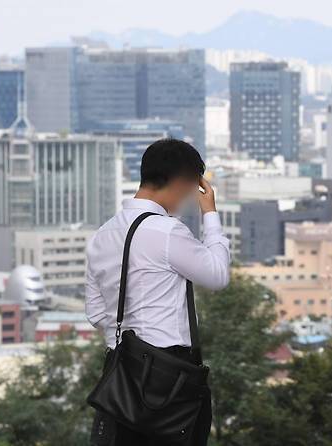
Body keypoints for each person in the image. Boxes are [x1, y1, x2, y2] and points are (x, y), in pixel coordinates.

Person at [85, 138, 230, 445]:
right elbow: (218, 275)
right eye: (192, 188)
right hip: (168, 375)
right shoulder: (167, 231)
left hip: (120, 378)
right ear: (181, 182)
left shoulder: (102, 235)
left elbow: (96, 312)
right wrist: (211, 215)